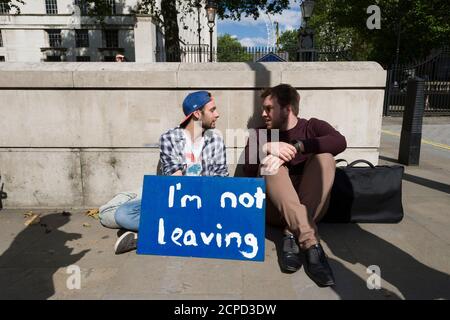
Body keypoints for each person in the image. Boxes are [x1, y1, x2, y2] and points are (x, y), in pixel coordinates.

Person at [99, 91, 228, 254]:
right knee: (122, 214)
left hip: (206, 202)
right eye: (212, 110)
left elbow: (222, 180)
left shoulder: (216, 139)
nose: (217, 114)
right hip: (177, 201)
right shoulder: (170, 138)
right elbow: (175, 182)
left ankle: (150, 235)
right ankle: (184, 230)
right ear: (197, 113)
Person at [243, 84, 347, 287]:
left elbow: (339, 142)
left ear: (287, 108)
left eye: (268, 108)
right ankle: (310, 242)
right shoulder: (261, 133)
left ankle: (291, 233)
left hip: (312, 206)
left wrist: (298, 147)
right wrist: (266, 147)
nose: (263, 114)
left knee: (325, 157)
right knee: (270, 164)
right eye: (263, 109)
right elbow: (248, 171)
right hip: (275, 211)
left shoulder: (312, 127)